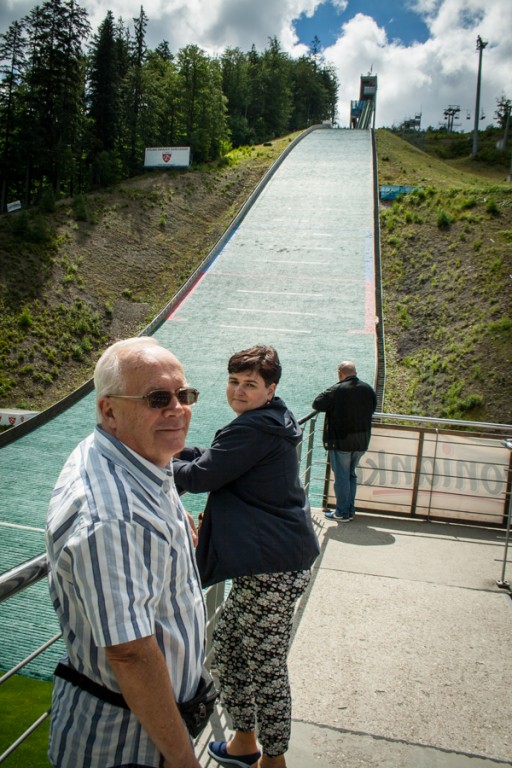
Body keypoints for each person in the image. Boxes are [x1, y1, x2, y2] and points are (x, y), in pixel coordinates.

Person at [46, 337, 207, 768]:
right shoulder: (112, 518)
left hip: (144, 729)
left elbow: (155, 476)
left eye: (184, 394)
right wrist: (184, 759)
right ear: (109, 410)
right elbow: (129, 652)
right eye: (158, 398)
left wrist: (174, 522)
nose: (177, 408)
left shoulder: (135, 450)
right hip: (127, 745)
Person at [173, 345, 319, 768]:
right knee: (230, 647)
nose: (238, 391)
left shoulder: (254, 428)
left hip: (273, 565)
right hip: (271, 561)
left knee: (267, 665)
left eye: (250, 384)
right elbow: (221, 461)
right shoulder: (270, 420)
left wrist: (154, 462)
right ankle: (243, 742)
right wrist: (184, 454)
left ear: (270, 388)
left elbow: (203, 477)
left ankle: (274, 761)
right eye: (234, 381)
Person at [312, 360, 376, 522]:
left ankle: (341, 513)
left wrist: (336, 388)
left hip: (341, 440)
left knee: (341, 477)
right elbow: (373, 408)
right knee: (351, 475)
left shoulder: (338, 389)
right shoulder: (368, 389)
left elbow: (318, 403)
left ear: (340, 374)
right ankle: (349, 509)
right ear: (355, 372)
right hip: (362, 440)